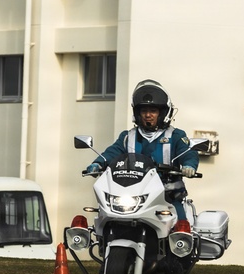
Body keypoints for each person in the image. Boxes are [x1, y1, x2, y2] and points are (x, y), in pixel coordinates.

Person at [84, 79, 198, 221]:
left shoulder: (175, 135)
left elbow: (188, 152)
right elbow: (112, 152)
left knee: (181, 231)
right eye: (144, 111)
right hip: (133, 196)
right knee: (103, 220)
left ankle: (183, 241)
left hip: (167, 198)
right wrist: (99, 163)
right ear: (137, 113)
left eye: (153, 111)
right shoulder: (128, 136)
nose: (148, 115)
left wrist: (189, 165)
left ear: (163, 113)